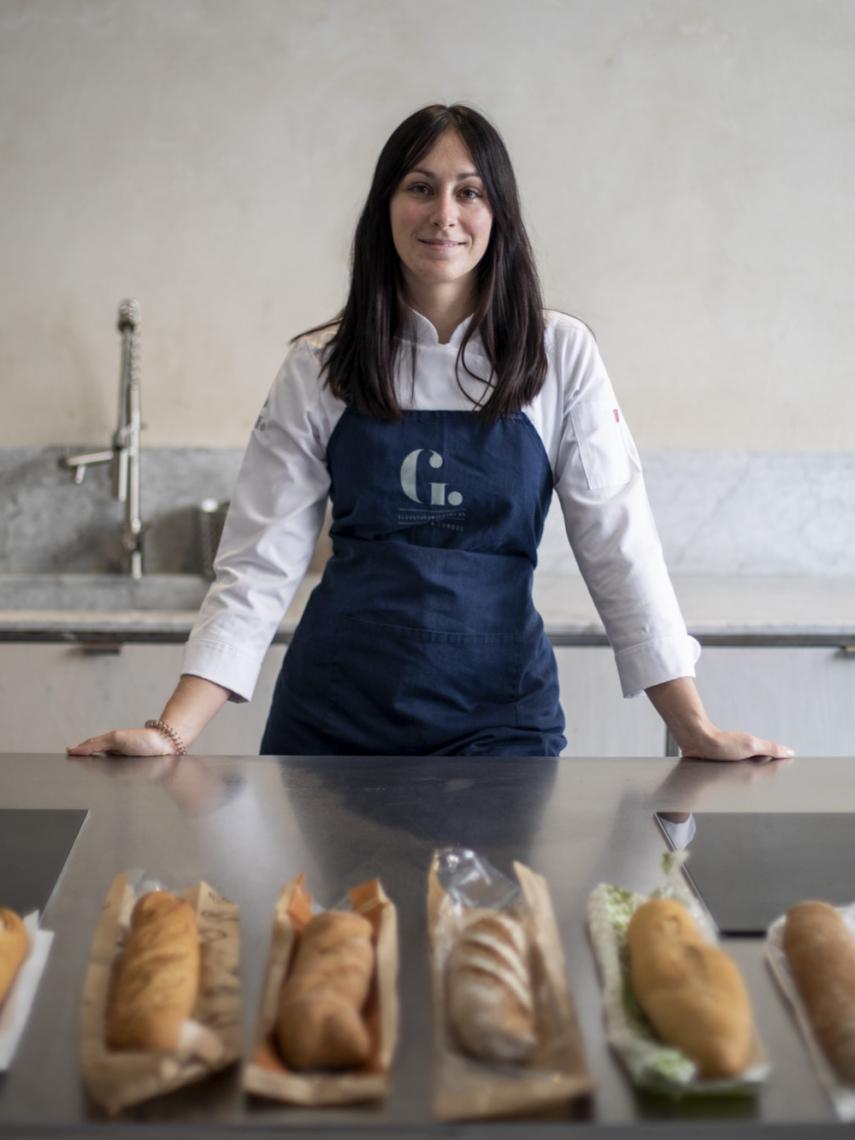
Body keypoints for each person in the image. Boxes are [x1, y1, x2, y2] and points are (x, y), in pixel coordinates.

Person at [69, 103, 794, 764]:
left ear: (498, 212)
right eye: (420, 187)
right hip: (333, 717)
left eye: (469, 192)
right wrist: (171, 733)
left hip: (500, 721)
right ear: (385, 206)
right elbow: (258, 564)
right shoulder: (318, 363)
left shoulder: (558, 354)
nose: (444, 213)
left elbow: (618, 546)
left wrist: (693, 728)